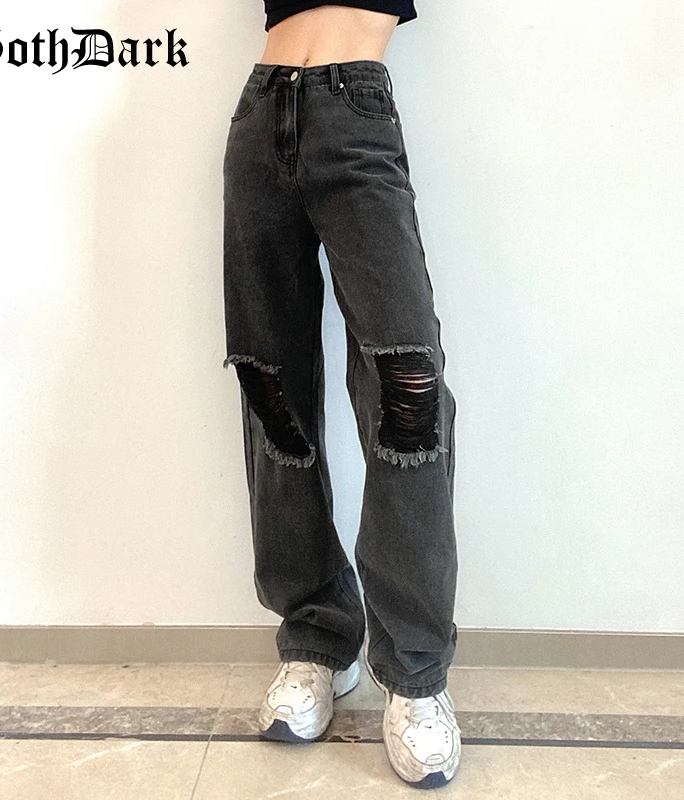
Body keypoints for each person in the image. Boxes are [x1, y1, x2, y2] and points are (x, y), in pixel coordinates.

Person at [221, 1, 461, 788]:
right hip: (261, 116)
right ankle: (317, 637)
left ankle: (415, 674)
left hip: (355, 116)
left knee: (409, 394)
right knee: (272, 392)